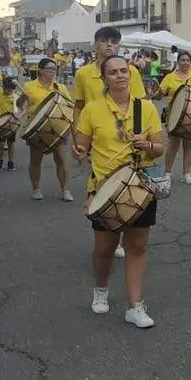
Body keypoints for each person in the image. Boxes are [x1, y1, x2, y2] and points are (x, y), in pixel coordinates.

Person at [72, 55, 164, 329]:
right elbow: (81, 147)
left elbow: (160, 147)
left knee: (137, 246)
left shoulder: (144, 108)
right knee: (105, 249)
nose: (120, 75)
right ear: (104, 78)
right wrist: (78, 150)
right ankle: (101, 287)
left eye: (124, 70)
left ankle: (135, 306)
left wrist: (146, 145)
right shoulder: (93, 109)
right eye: (113, 72)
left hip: (138, 185)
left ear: (131, 74)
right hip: (104, 188)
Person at [72, 26, 147, 259]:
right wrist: (78, 136)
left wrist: (139, 133)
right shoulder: (83, 73)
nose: (110, 45)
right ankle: (108, 235)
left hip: (127, 140)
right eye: (104, 41)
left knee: (129, 189)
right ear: (95, 44)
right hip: (98, 138)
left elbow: (140, 103)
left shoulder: (129, 71)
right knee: (103, 186)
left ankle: (122, 238)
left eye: (114, 41)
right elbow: (79, 105)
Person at [18, 58, 73, 201]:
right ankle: (36, 188)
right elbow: (20, 105)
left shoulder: (60, 87)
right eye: (49, 69)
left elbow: (69, 106)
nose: (52, 72)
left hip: (58, 128)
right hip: (37, 129)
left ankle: (65, 190)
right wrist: (22, 98)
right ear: (40, 70)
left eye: (54, 69)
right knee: (36, 160)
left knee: (61, 159)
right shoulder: (29, 86)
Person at [155, 51, 191, 184]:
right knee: (173, 145)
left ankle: (187, 174)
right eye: (182, 60)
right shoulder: (170, 77)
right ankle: (168, 172)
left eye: (188, 60)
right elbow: (159, 95)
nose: (185, 63)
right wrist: (154, 93)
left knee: (189, 145)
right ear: (178, 62)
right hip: (173, 115)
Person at [0, 77, 19, 172]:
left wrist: (17, 84)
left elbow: (18, 110)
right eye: (5, 88)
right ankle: (0, 160)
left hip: (11, 123)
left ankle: (10, 161)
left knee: (11, 144)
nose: (7, 91)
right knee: (0, 144)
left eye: (9, 89)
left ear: (13, 89)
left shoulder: (15, 97)